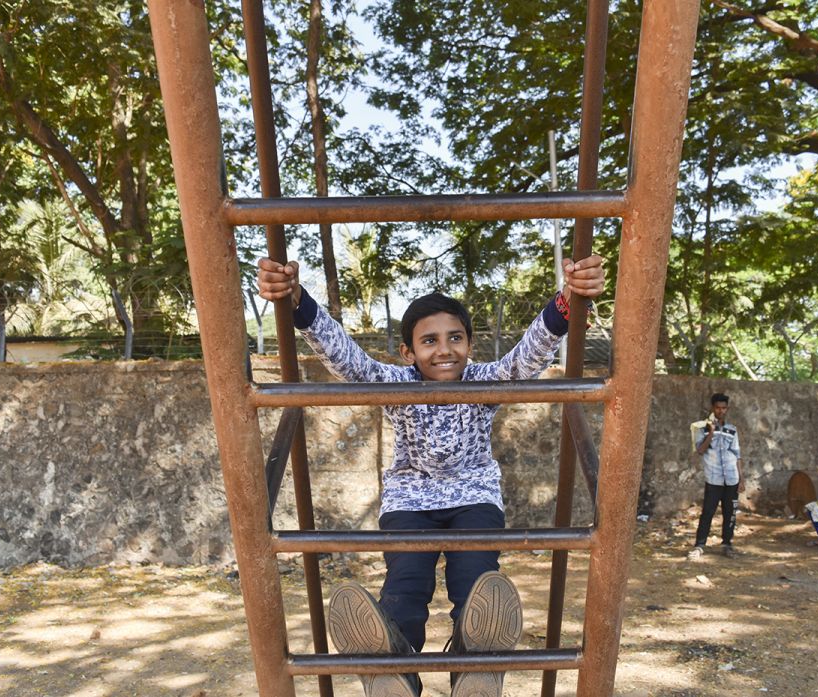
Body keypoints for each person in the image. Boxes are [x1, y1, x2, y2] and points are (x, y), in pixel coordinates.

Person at [257, 255, 605, 697]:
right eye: (430, 341)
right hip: (410, 499)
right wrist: (298, 301)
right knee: (405, 585)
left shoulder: (484, 380)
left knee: (476, 581)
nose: (444, 349)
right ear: (409, 352)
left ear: (470, 343)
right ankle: (394, 671)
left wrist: (568, 301)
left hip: (474, 496)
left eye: (455, 337)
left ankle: (474, 667)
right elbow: (348, 361)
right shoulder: (395, 382)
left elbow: (527, 357)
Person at [687, 392, 745, 560]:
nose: (721, 411)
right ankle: (699, 545)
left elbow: (737, 455)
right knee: (708, 512)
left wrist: (741, 478)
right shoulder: (701, 428)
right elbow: (700, 450)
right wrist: (711, 433)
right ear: (713, 408)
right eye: (718, 408)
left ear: (727, 409)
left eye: (724, 408)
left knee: (730, 512)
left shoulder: (732, 430)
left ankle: (727, 544)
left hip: (732, 478)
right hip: (713, 479)